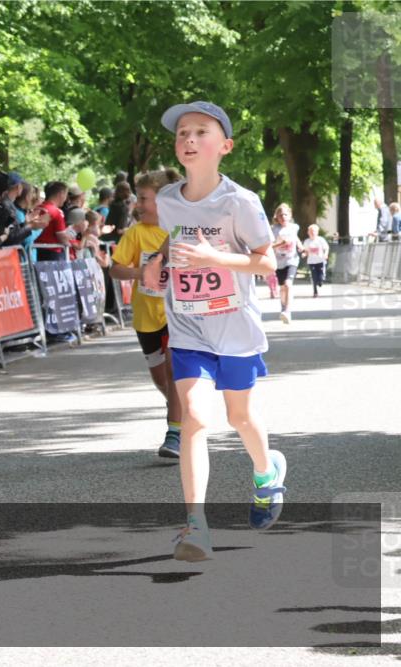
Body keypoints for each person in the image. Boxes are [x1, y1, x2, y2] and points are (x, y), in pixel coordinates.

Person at [144, 101, 284, 562]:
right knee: (196, 420)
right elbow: (171, 240)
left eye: (200, 131)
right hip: (188, 328)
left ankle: (267, 473)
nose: (188, 138)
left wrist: (215, 260)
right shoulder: (167, 199)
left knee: (239, 417)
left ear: (223, 146)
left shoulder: (239, 202)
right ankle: (195, 525)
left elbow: (267, 262)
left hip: (235, 329)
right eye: (182, 132)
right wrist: (157, 266)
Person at [110, 168, 183, 458]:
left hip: (176, 314)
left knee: (174, 369)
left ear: (164, 200)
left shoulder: (179, 228)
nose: (137, 205)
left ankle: (175, 432)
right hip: (146, 317)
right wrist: (143, 271)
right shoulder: (136, 233)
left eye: (143, 198)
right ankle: (178, 410)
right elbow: (115, 268)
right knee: (160, 380)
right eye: (137, 199)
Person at [271, 203, 302, 324]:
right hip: (279, 262)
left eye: (285, 214)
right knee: (283, 288)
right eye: (280, 215)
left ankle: (288, 311)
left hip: (292, 260)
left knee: (288, 284)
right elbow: (270, 246)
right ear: (277, 217)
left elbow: (296, 238)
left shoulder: (294, 227)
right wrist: (281, 244)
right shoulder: (274, 230)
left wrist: (301, 247)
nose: (283, 217)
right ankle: (283, 308)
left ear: (290, 215)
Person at [34, 181, 70, 261]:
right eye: (66, 194)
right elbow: (62, 236)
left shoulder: (36, 208)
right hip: (53, 254)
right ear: (61, 194)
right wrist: (70, 244)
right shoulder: (56, 212)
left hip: (35, 251)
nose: (66, 198)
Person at [302, 223, 330, 297]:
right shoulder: (307, 241)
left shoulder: (320, 240)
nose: (312, 233)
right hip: (311, 262)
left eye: (314, 231)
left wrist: (326, 254)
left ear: (317, 232)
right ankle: (315, 291)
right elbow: (306, 251)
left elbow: (326, 248)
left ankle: (321, 281)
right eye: (311, 231)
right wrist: (304, 254)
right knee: (314, 276)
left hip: (320, 260)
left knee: (320, 276)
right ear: (308, 232)